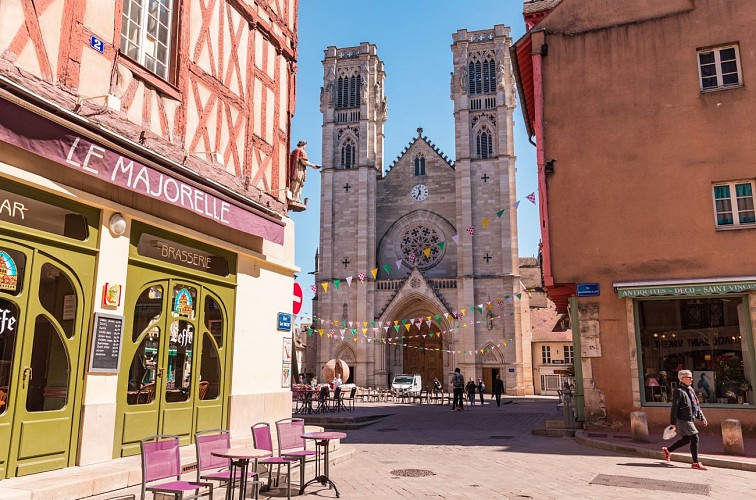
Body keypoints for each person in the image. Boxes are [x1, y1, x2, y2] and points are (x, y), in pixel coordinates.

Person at [663, 369, 709, 470]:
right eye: (689, 377)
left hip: (690, 418)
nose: (692, 379)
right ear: (682, 378)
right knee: (695, 437)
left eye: (691, 377)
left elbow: (695, 405)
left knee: (686, 439)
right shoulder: (678, 391)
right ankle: (695, 462)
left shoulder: (690, 389)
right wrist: (673, 423)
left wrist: (702, 417)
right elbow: (674, 407)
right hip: (683, 419)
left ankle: (668, 450)